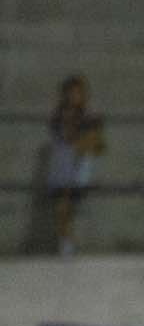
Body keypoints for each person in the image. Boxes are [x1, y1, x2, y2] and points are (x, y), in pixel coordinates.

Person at [47, 76, 104, 258]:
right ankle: (66, 243)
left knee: (70, 204)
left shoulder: (90, 116)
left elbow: (97, 144)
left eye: (78, 92)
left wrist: (86, 140)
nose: (74, 96)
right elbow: (65, 137)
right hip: (62, 165)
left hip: (80, 167)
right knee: (62, 205)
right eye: (71, 92)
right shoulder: (58, 115)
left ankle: (69, 242)